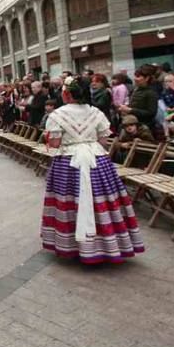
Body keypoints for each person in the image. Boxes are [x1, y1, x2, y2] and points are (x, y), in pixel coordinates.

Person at [41, 77, 145, 263]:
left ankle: (74, 246)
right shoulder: (96, 112)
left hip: (69, 162)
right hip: (97, 160)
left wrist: (49, 138)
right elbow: (103, 141)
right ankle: (108, 245)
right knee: (102, 201)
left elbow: (55, 143)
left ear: (67, 93)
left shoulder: (57, 115)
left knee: (70, 202)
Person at [119, 65, 158, 130]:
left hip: (144, 128)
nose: (135, 79)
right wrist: (125, 108)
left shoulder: (151, 92)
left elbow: (151, 113)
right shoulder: (136, 89)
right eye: (135, 76)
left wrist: (130, 110)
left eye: (138, 76)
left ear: (147, 78)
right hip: (132, 126)